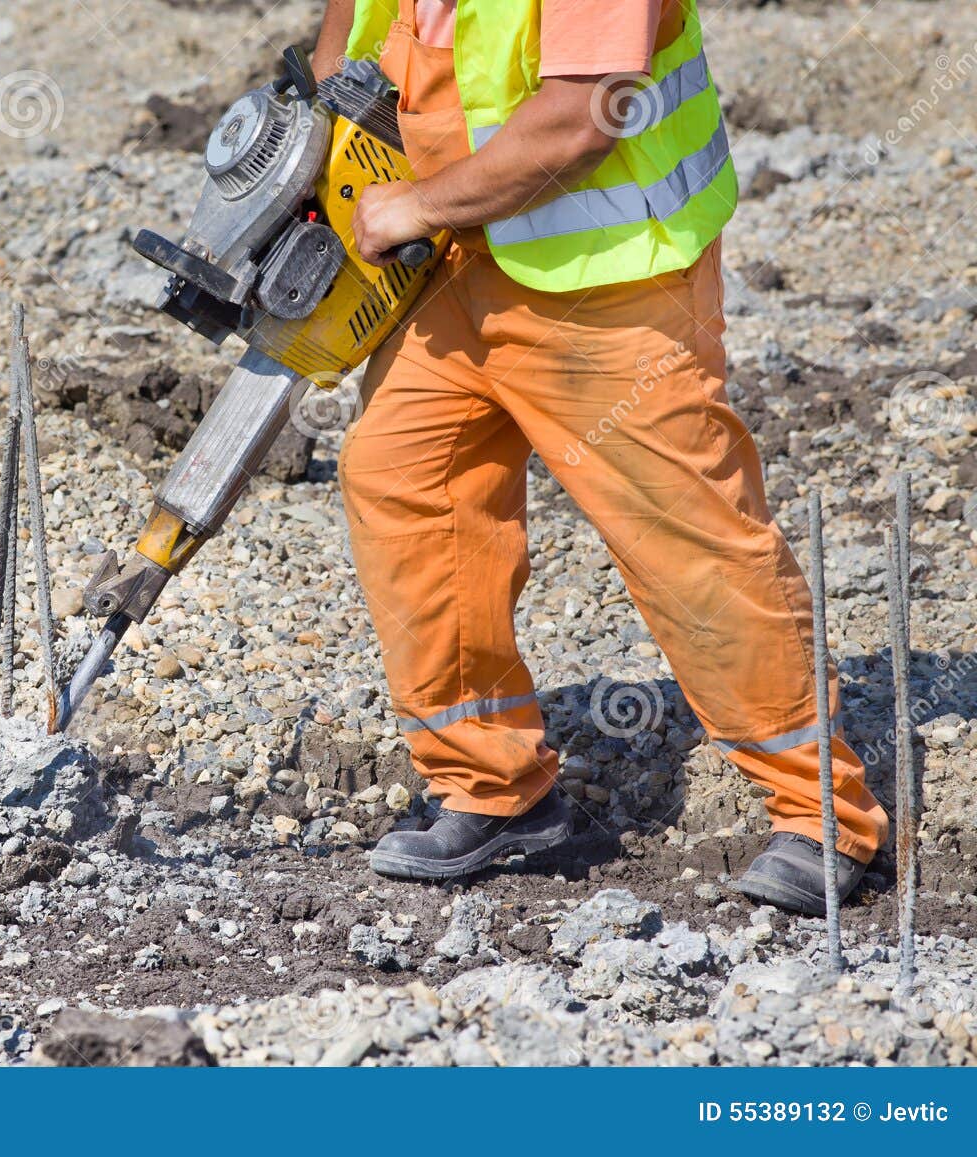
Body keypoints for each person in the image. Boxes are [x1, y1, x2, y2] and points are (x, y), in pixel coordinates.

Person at [311, 0, 887, 915]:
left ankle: (821, 812)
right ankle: (491, 788)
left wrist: (413, 203)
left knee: (686, 539)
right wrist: (325, 144)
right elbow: (356, 25)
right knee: (404, 478)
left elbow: (585, 112)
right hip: (449, 260)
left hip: (602, 279)